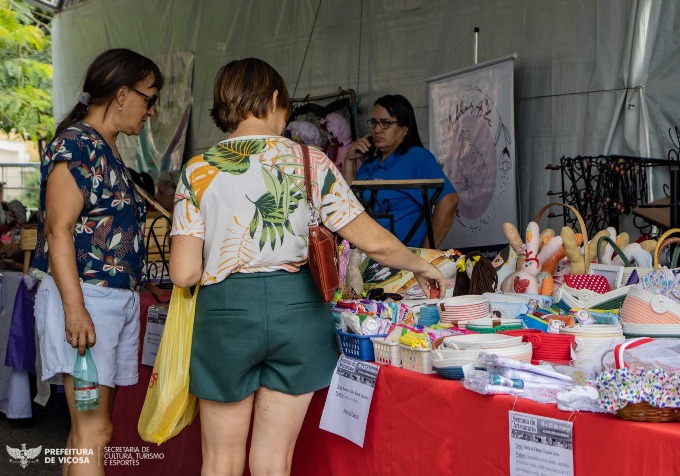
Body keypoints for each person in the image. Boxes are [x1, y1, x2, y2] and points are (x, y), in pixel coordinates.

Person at [169, 58, 446, 476]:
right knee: (275, 461)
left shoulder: (198, 169)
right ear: (276, 99)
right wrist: (422, 267)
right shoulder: (310, 161)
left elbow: (184, 274)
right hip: (297, 314)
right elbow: (373, 242)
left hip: (225, 317)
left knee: (220, 461)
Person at [32, 48, 162, 475]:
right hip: (86, 298)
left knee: (85, 434)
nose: (151, 110)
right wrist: (75, 310)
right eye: (149, 98)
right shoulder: (76, 143)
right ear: (122, 94)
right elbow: (58, 230)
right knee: (96, 432)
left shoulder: (108, 148)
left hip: (110, 301)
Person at [342, 94, 459, 248]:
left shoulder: (416, 158)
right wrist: (349, 161)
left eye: (386, 123)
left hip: (404, 262)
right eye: (374, 123)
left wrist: (426, 253)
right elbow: (348, 206)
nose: (377, 130)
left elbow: (449, 200)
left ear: (405, 128)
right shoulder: (369, 165)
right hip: (367, 258)